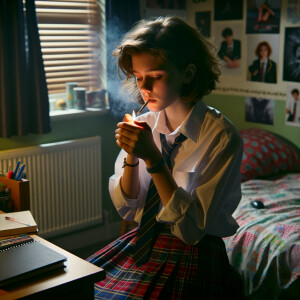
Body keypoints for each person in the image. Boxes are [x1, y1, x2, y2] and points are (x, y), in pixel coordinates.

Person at [88, 16, 245, 299]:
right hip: (143, 242)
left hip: (195, 253)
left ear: (187, 74)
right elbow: (127, 207)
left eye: (156, 76)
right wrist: (133, 158)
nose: (144, 88)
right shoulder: (144, 124)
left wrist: (154, 160)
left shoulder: (222, 138)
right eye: (138, 77)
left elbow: (192, 229)